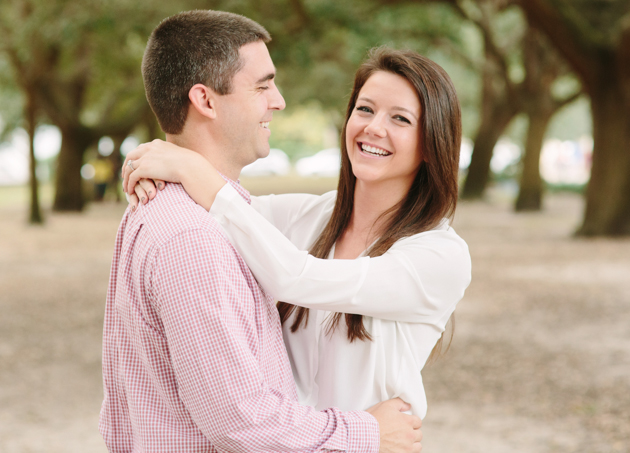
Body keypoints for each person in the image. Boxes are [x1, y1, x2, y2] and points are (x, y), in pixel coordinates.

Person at [101, 10, 422, 453]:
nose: (279, 100)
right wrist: (366, 432)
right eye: (262, 85)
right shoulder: (192, 238)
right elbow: (240, 421)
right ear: (206, 101)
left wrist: (177, 160)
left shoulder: (194, 212)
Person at [123, 47, 472, 420]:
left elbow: (295, 277)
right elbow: (222, 213)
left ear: (431, 145)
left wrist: (193, 170)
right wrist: (153, 163)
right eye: (365, 109)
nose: (373, 127)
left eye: (400, 119)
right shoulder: (308, 216)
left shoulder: (439, 256)